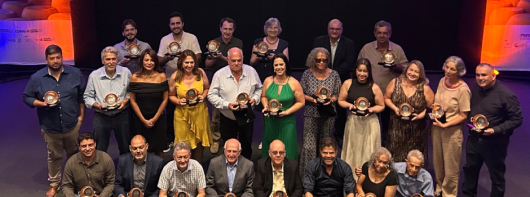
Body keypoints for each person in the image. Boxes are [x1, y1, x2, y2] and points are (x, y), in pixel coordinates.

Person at [22, 44, 85, 197]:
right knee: (54, 156)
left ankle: (73, 182)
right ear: (46, 60)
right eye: (52, 58)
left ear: (62, 57)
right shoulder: (37, 78)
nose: (56, 61)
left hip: (71, 124)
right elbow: (27, 97)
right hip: (50, 127)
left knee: (73, 155)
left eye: (58, 57)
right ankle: (54, 184)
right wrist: (41, 103)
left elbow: (81, 96)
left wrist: (81, 117)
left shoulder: (75, 73)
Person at [462, 63, 523, 197]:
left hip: (494, 144)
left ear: (493, 76)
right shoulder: (475, 88)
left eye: (484, 75)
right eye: (477, 75)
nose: (480, 78)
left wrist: (495, 130)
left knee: (496, 178)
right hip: (473, 140)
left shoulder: (506, 95)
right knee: (470, 172)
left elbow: (517, 119)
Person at [358, 20, 408, 147]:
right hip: (370, 93)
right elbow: (358, 68)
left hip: (389, 95)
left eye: (385, 33)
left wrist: (394, 66)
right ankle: (368, 148)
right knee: (369, 124)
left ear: (390, 34)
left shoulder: (397, 49)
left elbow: (406, 69)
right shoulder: (366, 48)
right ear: (375, 33)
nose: (382, 36)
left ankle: (386, 151)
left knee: (388, 126)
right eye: (379, 33)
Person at [157, 11, 202, 152]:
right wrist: (169, 57)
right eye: (173, 24)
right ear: (169, 25)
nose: (175, 26)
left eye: (178, 23)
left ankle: (194, 138)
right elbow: (159, 61)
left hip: (190, 80)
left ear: (182, 24)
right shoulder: (165, 40)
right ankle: (171, 139)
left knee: (192, 108)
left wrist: (187, 58)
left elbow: (199, 56)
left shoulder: (191, 38)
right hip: (172, 80)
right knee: (171, 112)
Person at [207, 47, 263, 159]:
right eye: (233, 61)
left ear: (243, 59)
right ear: (228, 60)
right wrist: (226, 104)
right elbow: (211, 95)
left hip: (246, 115)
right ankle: (229, 171)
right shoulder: (219, 74)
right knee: (229, 147)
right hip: (227, 116)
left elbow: (259, 89)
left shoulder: (251, 71)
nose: (237, 63)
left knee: (246, 145)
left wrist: (255, 99)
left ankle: (246, 171)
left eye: (239, 60)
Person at [337, 58, 384, 181]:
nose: (362, 74)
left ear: (369, 73)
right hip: (353, 121)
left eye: (365, 71)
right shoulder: (348, 83)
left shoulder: (374, 87)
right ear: (355, 71)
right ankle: (350, 179)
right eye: (359, 70)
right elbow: (340, 100)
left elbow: (381, 105)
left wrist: (371, 110)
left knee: (369, 150)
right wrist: (349, 106)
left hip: (370, 123)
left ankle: (368, 180)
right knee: (352, 149)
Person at [431, 56, 470, 197]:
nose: (448, 71)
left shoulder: (463, 89)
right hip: (437, 128)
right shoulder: (442, 81)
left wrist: (446, 124)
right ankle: (439, 185)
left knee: (451, 165)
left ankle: (449, 193)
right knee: (438, 161)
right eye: (447, 67)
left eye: (452, 69)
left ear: (459, 71)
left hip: (452, 131)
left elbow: (464, 115)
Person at [313, 18, 356, 146]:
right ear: (328, 29)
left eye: (337, 29)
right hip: (319, 79)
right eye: (332, 28)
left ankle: (338, 136)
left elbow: (348, 63)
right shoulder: (319, 41)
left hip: (341, 80)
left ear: (341, 30)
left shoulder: (349, 43)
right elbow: (314, 59)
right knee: (320, 105)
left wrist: (331, 74)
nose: (334, 31)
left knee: (340, 110)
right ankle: (321, 134)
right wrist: (324, 73)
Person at [299, 47, 341, 176]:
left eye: (324, 60)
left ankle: (324, 175)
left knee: (326, 144)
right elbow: (301, 93)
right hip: (311, 113)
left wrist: (331, 99)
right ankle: (308, 175)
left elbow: (337, 93)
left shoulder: (334, 74)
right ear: (313, 60)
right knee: (309, 146)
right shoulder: (307, 74)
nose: (321, 62)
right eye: (318, 60)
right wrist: (313, 100)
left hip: (328, 114)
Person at [205, 17, 243, 154]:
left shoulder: (238, 43)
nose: (227, 31)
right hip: (219, 83)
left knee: (235, 112)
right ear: (220, 28)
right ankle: (216, 140)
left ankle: (235, 141)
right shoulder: (214, 43)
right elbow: (207, 64)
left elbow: (237, 62)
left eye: (230, 29)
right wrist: (213, 58)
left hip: (235, 83)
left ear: (233, 30)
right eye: (225, 28)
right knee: (216, 115)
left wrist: (221, 57)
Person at [84, 46, 132, 155]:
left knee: (126, 147)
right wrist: (97, 105)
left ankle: (125, 171)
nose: (111, 62)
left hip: (122, 114)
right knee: (100, 148)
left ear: (117, 60)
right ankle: (100, 171)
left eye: (113, 59)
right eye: (108, 59)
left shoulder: (126, 73)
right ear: (102, 61)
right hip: (101, 116)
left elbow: (131, 92)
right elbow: (87, 97)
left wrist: (125, 101)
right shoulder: (94, 76)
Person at [384, 60, 434, 164]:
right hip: (396, 129)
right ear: (406, 70)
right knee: (395, 158)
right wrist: (394, 108)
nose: (412, 73)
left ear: (420, 75)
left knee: (414, 161)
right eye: (411, 70)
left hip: (416, 132)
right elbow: (386, 98)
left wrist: (421, 115)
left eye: (416, 71)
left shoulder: (425, 88)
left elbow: (431, 110)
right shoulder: (395, 82)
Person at [168, 50, 212, 163]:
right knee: (183, 143)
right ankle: (183, 167)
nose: (189, 65)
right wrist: (178, 101)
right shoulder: (175, 76)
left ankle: (197, 168)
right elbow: (170, 95)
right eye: (186, 62)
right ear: (181, 63)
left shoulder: (200, 73)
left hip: (199, 113)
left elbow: (207, 87)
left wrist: (203, 96)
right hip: (182, 114)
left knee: (198, 143)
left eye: (192, 62)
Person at [260, 53, 305, 160]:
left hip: (287, 121)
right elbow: (264, 96)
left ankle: (288, 175)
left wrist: (287, 112)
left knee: (288, 150)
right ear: (273, 67)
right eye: (276, 65)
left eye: (281, 64)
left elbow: (301, 102)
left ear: (286, 65)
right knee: (269, 149)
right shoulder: (267, 80)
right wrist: (266, 106)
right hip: (270, 121)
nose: (279, 67)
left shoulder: (294, 83)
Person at [130, 49, 169, 158]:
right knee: (139, 149)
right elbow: (132, 100)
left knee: (159, 148)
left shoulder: (161, 76)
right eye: (146, 60)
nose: (149, 62)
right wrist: (143, 120)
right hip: (140, 118)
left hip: (157, 118)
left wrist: (154, 119)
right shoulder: (135, 77)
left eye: (152, 60)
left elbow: (165, 99)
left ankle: (159, 173)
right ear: (142, 61)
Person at [354, 150, 433, 197]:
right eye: (411, 165)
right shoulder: (395, 168)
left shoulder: (426, 177)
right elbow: (380, 166)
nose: (413, 169)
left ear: (422, 166)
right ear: (406, 162)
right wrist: (361, 170)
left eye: (417, 167)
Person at [62, 132, 115, 197]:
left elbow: (110, 183)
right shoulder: (71, 162)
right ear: (79, 147)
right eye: (84, 146)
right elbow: (67, 186)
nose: (87, 149)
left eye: (90, 145)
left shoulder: (106, 159)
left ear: (95, 144)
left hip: (100, 194)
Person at [250, 17, 289, 84]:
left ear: (279, 29)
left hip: (277, 77)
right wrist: (257, 58)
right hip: (259, 76)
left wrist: (275, 58)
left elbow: (286, 63)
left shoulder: (284, 44)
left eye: (275, 27)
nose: (273, 30)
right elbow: (251, 63)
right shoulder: (258, 42)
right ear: (266, 29)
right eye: (270, 27)